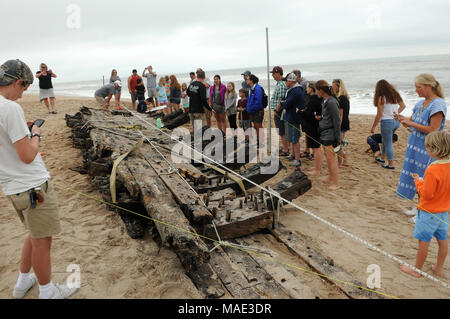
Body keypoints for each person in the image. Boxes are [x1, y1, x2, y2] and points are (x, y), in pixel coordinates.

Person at [0, 59, 78, 299]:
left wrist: (23, 129)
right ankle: (47, 292)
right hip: (33, 186)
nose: (23, 95)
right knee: (43, 241)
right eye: (24, 89)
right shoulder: (10, 108)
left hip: (14, 188)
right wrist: (35, 134)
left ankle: (23, 281)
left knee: (34, 234)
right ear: (18, 82)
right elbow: (27, 155)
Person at [396, 73, 447, 221]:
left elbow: (434, 130)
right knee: (417, 178)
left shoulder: (438, 104)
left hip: (429, 149)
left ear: (429, 86)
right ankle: (419, 207)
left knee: (427, 181)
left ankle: (423, 213)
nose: (416, 90)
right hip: (415, 146)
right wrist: (404, 121)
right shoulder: (420, 103)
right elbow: (412, 127)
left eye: (419, 87)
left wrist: (411, 123)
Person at [399, 131, 450, 278]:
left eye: (428, 147)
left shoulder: (433, 169)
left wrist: (418, 181)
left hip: (429, 212)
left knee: (424, 241)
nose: (426, 149)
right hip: (443, 212)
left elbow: (426, 194)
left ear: (435, 149)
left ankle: (416, 270)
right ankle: (438, 268)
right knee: (442, 240)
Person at [370, 80, 407, 169]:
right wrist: (395, 114)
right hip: (396, 121)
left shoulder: (382, 98)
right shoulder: (395, 94)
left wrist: (373, 126)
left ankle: (390, 164)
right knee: (385, 140)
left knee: (388, 142)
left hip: (387, 122)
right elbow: (403, 106)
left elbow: (379, 114)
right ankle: (383, 158)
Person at [316, 80, 341, 190]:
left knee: (331, 158)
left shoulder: (331, 101)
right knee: (328, 156)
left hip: (330, 133)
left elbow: (337, 120)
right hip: (324, 132)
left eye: (317, 90)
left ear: (321, 90)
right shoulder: (325, 101)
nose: (316, 92)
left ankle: (336, 183)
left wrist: (338, 137)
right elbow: (329, 117)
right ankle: (330, 177)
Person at [280, 73, 304, 167]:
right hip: (290, 117)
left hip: (294, 118)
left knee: (295, 139)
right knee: (291, 137)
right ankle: (293, 155)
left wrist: (282, 102)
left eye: (287, 80)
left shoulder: (296, 91)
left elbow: (286, 104)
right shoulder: (293, 90)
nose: (286, 82)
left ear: (290, 81)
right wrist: (284, 102)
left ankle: (297, 159)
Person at [301, 82, 324, 175]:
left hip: (313, 127)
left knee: (316, 148)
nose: (306, 89)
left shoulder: (314, 99)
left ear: (312, 89)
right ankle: (316, 167)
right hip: (313, 126)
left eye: (307, 87)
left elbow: (310, 115)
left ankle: (317, 170)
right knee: (315, 148)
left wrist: (300, 112)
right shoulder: (315, 98)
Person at [270, 66, 289, 157]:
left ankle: (286, 149)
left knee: (282, 131)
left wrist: (277, 110)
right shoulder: (279, 83)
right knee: (281, 131)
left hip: (279, 112)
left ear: (278, 74)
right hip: (278, 111)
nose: (272, 75)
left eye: (273, 74)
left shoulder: (281, 84)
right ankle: (285, 148)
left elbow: (281, 100)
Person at [332, 79, 351, 168]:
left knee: (339, 143)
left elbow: (341, 114)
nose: (332, 88)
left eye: (333, 86)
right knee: (341, 143)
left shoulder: (341, 98)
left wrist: (337, 126)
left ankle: (340, 163)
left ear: (338, 86)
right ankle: (345, 161)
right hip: (345, 122)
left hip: (342, 123)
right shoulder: (345, 97)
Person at [246, 74, 264, 147]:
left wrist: (252, 109)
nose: (246, 80)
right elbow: (249, 100)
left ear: (251, 80)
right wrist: (248, 108)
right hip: (252, 111)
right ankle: (258, 140)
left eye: (248, 79)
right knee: (255, 127)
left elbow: (258, 102)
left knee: (258, 126)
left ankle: (261, 142)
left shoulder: (258, 88)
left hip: (257, 111)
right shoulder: (251, 88)